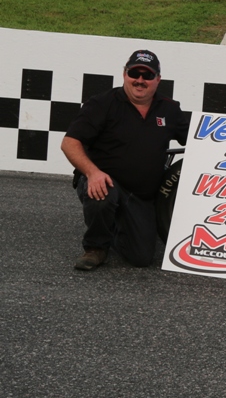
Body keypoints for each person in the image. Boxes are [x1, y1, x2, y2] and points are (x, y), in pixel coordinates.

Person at [61, 50, 189, 271]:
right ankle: (96, 248)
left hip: (142, 195)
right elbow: (69, 143)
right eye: (134, 73)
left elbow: (198, 139)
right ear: (124, 74)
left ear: (158, 80)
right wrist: (92, 173)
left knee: (141, 258)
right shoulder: (102, 103)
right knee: (102, 195)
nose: (140, 80)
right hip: (104, 180)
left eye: (147, 75)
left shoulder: (170, 109)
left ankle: (117, 225)